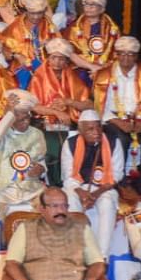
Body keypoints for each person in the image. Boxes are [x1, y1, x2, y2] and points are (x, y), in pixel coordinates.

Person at [95, 36, 141, 194]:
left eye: (130, 54)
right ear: (116, 55)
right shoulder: (104, 75)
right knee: (121, 140)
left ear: (136, 56)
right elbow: (99, 104)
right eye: (122, 54)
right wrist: (117, 122)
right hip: (113, 118)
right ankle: (120, 181)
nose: (126, 58)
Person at [60, 110, 124, 256]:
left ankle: (102, 256)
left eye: (98, 127)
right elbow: (68, 176)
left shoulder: (114, 142)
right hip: (77, 186)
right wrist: (81, 193)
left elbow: (117, 175)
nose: (96, 132)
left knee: (107, 203)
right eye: (90, 129)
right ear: (80, 130)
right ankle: (74, 251)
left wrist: (95, 194)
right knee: (69, 199)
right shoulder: (70, 144)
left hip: (104, 187)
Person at [0, 90, 48, 218]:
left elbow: (41, 159)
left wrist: (41, 169)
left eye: (27, 118)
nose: (25, 122)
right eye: (20, 120)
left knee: (48, 199)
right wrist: (8, 115)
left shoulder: (37, 134)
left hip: (29, 186)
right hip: (1, 187)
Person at [31, 38, 93, 179]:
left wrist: (69, 102)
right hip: (44, 123)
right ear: (49, 58)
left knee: (79, 143)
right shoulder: (39, 77)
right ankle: (54, 183)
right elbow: (34, 106)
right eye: (54, 58)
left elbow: (88, 104)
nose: (57, 62)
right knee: (54, 145)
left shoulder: (72, 75)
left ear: (66, 61)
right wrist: (56, 112)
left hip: (70, 123)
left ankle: (73, 179)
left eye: (61, 59)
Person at [1, 0, 61, 87]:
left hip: (47, 66)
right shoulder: (15, 27)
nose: (36, 17)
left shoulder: (49, 25)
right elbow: (2, 47)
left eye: (39, 13)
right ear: (26, 11)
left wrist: (51, 45)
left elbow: (60, 47)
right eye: (32, 13)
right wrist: (15, 56)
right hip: (21, 67)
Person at [64, 0, 120, 76]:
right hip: (79, 70)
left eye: (93, 4)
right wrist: (91, 66)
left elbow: (117, 55)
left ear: (102, 9)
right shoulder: (74, 27)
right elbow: (69, 52)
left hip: (105, 71)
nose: (88, 7)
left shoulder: (111, 29)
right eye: (86, 4)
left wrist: (101, 68)